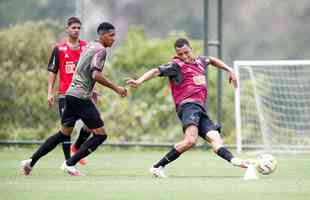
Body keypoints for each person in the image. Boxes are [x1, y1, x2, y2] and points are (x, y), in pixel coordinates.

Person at [127, 38, 252, 178]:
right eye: (180, 54)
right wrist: (139, 81)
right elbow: (155, 71)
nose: (184, 56)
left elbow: (212, 60)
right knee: (190, 141)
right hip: (187, 106)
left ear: (191, 49)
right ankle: (157, 167)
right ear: (177, 54)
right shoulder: (176, 65)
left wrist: (229, 69)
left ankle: (238, 162)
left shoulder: (200, 62)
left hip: (199, 109)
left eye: (186, 52)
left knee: (215, 139)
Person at [20, 22, 127, 176]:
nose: (114, 39)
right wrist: (117, 88)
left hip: (70, 94)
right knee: (100, 135)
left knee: (63, 134)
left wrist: (92, 88)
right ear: (102, 35)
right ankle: (70, 163)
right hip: (81, 96)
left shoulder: (90, 46)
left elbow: (83, 69)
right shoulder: (101, 50)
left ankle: (30, 162)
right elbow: (95, 74)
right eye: (111, 35)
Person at [47, 17, 91, 166]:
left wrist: (94, 89)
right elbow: (53, 71)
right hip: (66, 95)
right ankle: (68, 161)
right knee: (67, 129)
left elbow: (91, 70)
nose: (76, 30)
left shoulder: (86, 47)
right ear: (67, 29)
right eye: (73, 27)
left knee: (91, 124)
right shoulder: (59, 49)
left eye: (79, 27)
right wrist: (50, 92)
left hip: (84, 94)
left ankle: (76, 147)